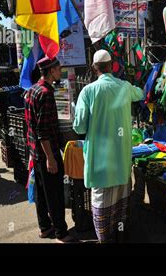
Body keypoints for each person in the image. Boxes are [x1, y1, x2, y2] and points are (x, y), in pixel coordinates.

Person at [73, 50, 144, 243]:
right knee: (121, 203)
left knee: (102, 205)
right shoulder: (125, 87)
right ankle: (121, 237)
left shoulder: (87, 92)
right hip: (121, 161)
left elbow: (79, 126)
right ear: (112, 66)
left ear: (95, 68)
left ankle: (105, 240)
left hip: (100, 164)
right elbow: (141, 93)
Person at [24, 57, 76, 243]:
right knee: (54, 194)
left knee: (41, 191)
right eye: (58, 68)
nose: (60, 71)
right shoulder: (45, 94)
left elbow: (31, 125)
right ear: (51, 71)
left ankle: (45, 227)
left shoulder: (32, 90)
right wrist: (51, 158)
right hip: (47, 152)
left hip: (35, 152)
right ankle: (61, 233)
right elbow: (43, 130)